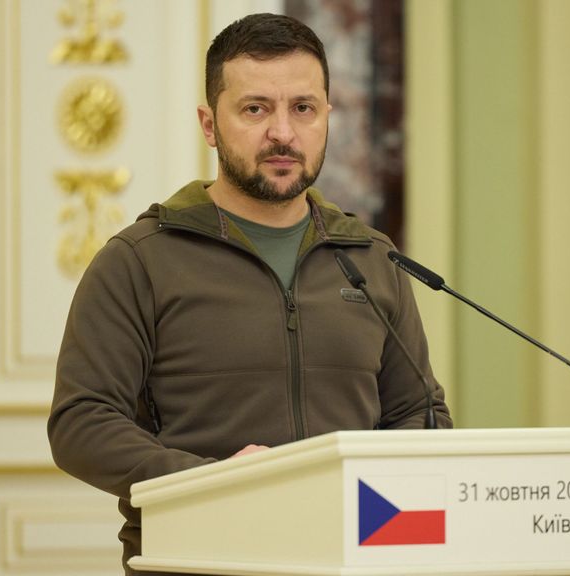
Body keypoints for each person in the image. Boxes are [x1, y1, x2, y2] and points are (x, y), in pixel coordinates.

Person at [48, 13, 452, 576]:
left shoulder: (371, 257)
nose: (283, 133)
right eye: (256, 108)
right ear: (210, 124)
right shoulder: (139, 259)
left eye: (303, 108)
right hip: (196, 560)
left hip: (354, 558)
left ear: (328, 117)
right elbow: (81, 423)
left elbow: (420, 413)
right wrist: (213, 483)